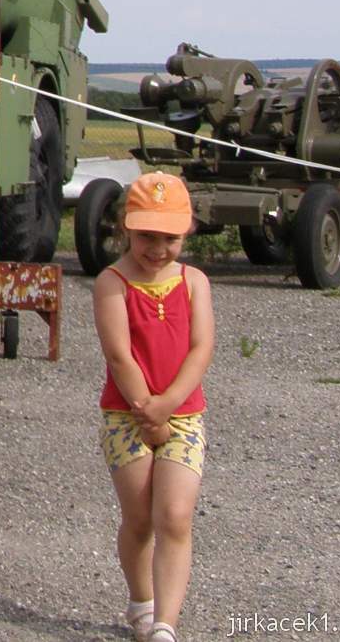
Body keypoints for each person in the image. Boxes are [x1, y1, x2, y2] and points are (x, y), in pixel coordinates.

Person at [94, 172, 215, 642]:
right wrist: (147, 409)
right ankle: (141, 601)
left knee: (175, 516)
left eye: (169, 238)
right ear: (127, 227)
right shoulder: (112, 282)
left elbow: (201, 348)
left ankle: (166, 623)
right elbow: (119, 353)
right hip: (126, 414)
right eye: (147, 236)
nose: (158, 248)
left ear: (185, 234)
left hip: (183, 415)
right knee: (141, 518)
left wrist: (168, 405)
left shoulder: (194, 281)